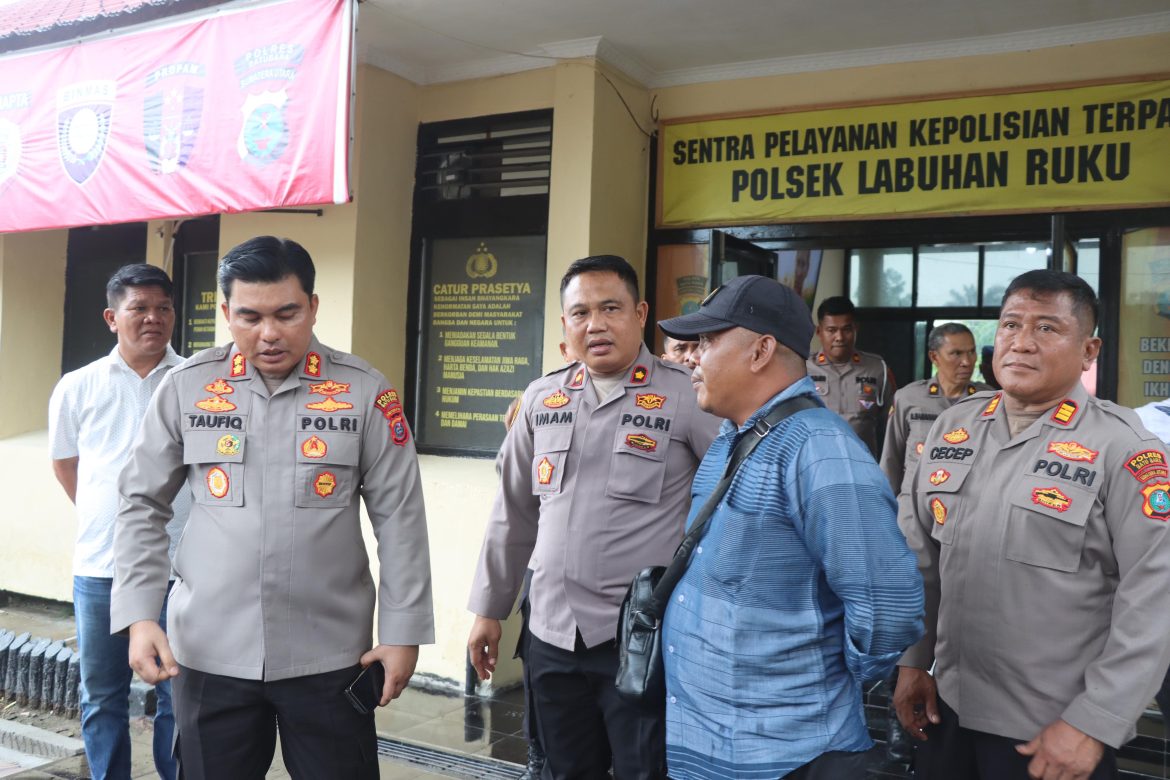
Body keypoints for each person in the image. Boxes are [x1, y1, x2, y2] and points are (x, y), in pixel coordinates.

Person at [110, 236, 434, 779]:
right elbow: (142, 502)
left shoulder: (363, 394)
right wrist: (141, 615)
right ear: (225, 313)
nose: (269, 333)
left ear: (312, 305)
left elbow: (400, 519)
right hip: (211, 654)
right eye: (250, 316)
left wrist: (402, 634)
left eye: (286, 313)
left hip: (330, 657)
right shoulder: (187, 388)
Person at [894, 270, 1170, 780]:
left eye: (1047, 328)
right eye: (1010, 325)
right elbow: (920, 558)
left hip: (1053, 732)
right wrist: (914, 660)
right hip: (947, 710)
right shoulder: (954, 427)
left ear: (1089, 351)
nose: (1021, 342)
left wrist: (1095, 722)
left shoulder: (1124, 449)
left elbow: (1155, 599)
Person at [656, 274, 924, 779]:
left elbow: (888, 607)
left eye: (708, 341)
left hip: (783, 752)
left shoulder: (819, 451)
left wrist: (812, 676)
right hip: (714, 740)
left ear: (760, 351)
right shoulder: (735, 434)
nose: (691, 356)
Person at [467, 254, 720, 779]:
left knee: (643, 770)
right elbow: (512, 512)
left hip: (639, 638)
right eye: (580, 312)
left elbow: (726, 505)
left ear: (640, 313)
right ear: (565, 324)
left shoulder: (687, 394)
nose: (595, 324)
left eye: (611, 308)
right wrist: (489, 609)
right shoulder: (542, 398)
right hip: (552, 635)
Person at [48, 264, 188, 780]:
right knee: (102, 694)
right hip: (100, 566)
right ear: (112, 317)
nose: (153, 318)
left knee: (180, 694)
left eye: (163, 308)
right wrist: (105, 516)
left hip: (180, 570)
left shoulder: (195, 382)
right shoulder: (77, 386)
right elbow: (66, 465)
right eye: (139, 309)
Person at [881, 322, 990, 497]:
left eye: (971, 352)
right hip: (914, 506)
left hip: (964, 506)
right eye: (956, 353)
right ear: (934, 357)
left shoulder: (988, 400)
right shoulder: (908, 397)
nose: (967, 362)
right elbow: (891, 459)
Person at [807, 296, 896, 458]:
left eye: (846, 329)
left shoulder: (877, 368)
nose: (839, 337)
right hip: (816, 463)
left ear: (856, 328)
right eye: (832, 330)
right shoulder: (803, 369)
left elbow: (892, 426)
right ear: (819, 331)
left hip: (863, 465)